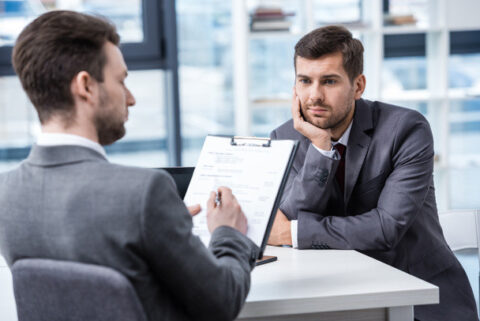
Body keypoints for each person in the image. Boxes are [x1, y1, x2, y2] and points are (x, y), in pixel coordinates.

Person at [0, 11, 259, 321]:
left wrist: (166, 229)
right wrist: (228, 232)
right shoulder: (143, 193)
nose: (132, 98)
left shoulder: (7, 194)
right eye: (121, 81)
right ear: (86, 86)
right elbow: (222, 301)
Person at [268, 25, 477, 321]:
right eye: (305, 81)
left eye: (329, 81)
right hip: (333, 300)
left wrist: (293, 232)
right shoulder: (284, 137)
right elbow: (291, 216)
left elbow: (385, 228)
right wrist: (319, 148)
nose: (314, 96)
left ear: (358, 86)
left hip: (421, 301)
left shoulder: (406, 129)